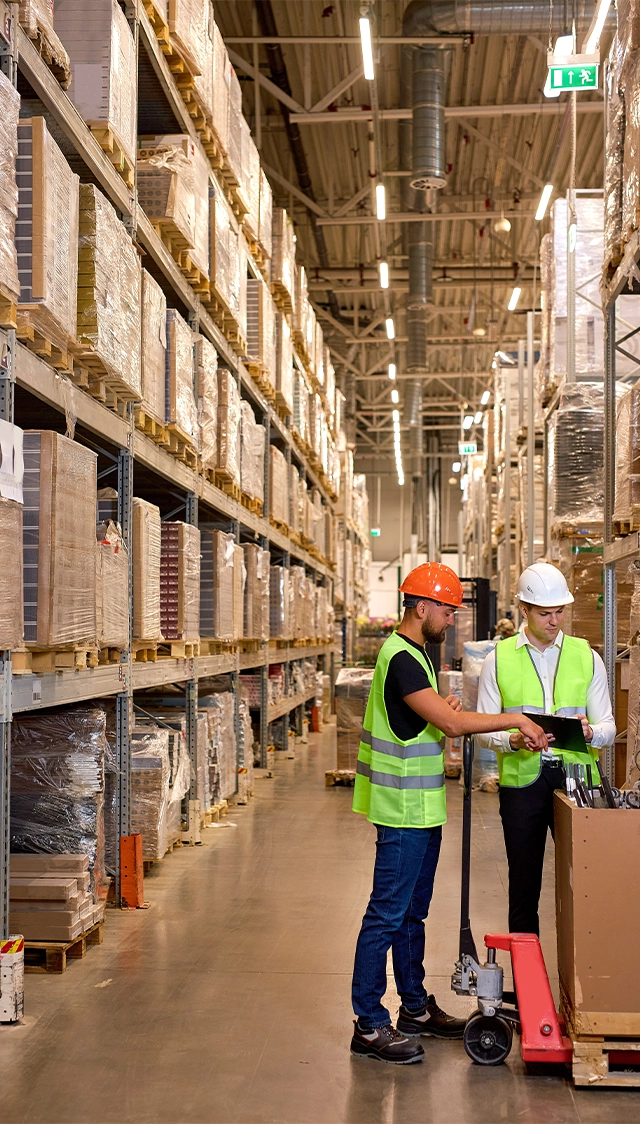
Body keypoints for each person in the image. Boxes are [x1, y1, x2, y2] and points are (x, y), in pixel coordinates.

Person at [350, 563, 548, 1065]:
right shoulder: (402, 659)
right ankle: (369, 1025)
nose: (451, 619)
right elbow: (453, 726)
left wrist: (442, 710)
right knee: (386, 915)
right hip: (400, 813)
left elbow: (429, 720)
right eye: (446, 609)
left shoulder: (418, 654)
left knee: (412, 914)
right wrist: (514, 718)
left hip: (420, 810)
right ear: (421, 607)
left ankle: (413, 1008)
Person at [476, 561, 616, 937]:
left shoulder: (587, 657)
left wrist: (589, 733)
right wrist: (513, 739)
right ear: (524, 609)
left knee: (585, 885)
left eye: (560, 612)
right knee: (524, 890)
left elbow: (608, 727)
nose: (554, 621)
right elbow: (482, 729)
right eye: (544, 613)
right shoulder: (498, 659)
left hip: (576, 784)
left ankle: (587, 980)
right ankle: (527, 987)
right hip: (523, 784)